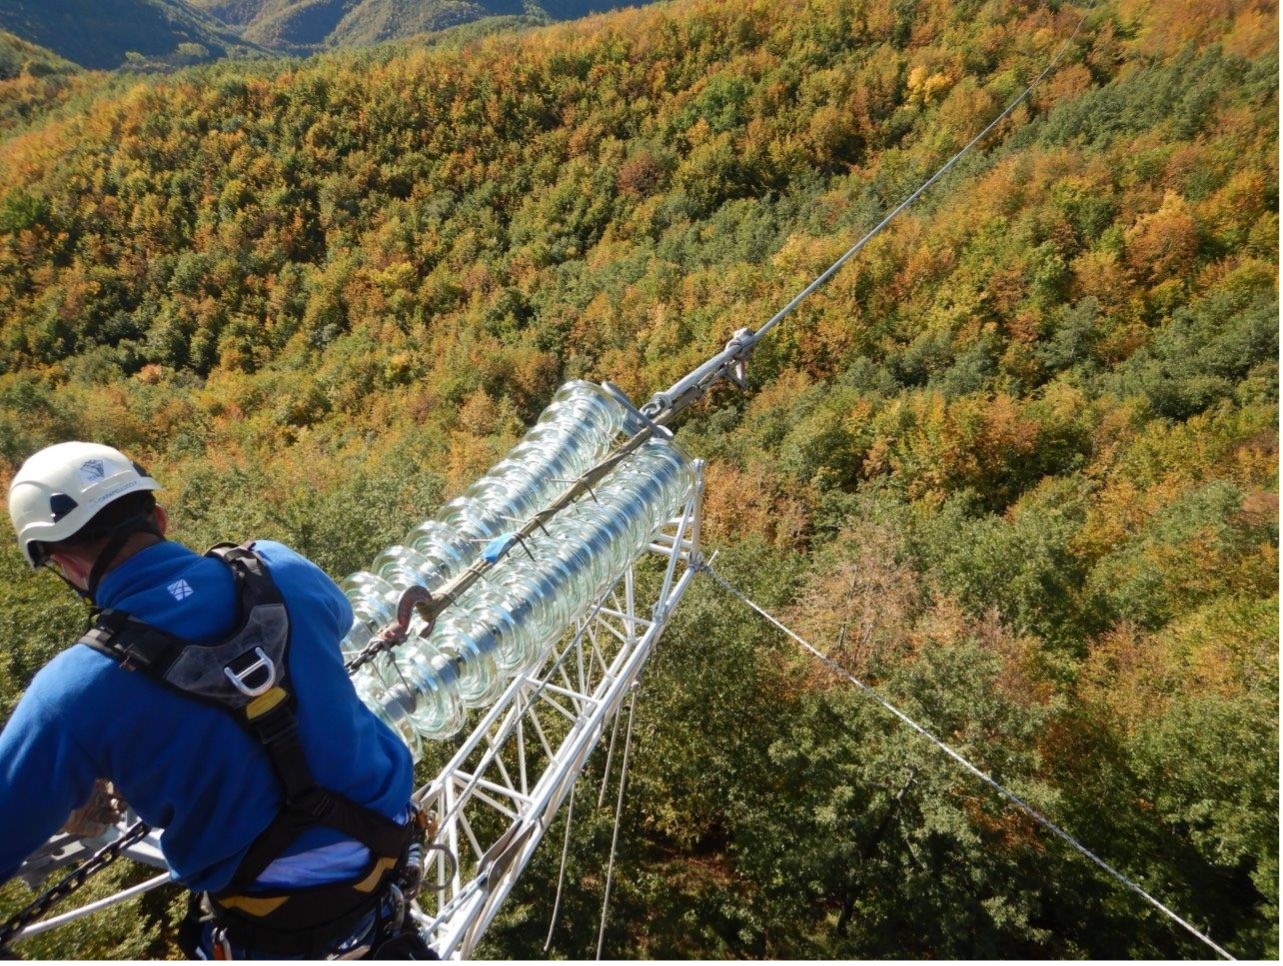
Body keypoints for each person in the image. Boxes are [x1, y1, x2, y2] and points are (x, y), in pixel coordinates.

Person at [1, 441, 431, 959]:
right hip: (386, 848)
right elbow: (336, 621)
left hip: (275, 920)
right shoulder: (280, 569)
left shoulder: (73, 690)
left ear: (64, 564)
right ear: (158, 515)